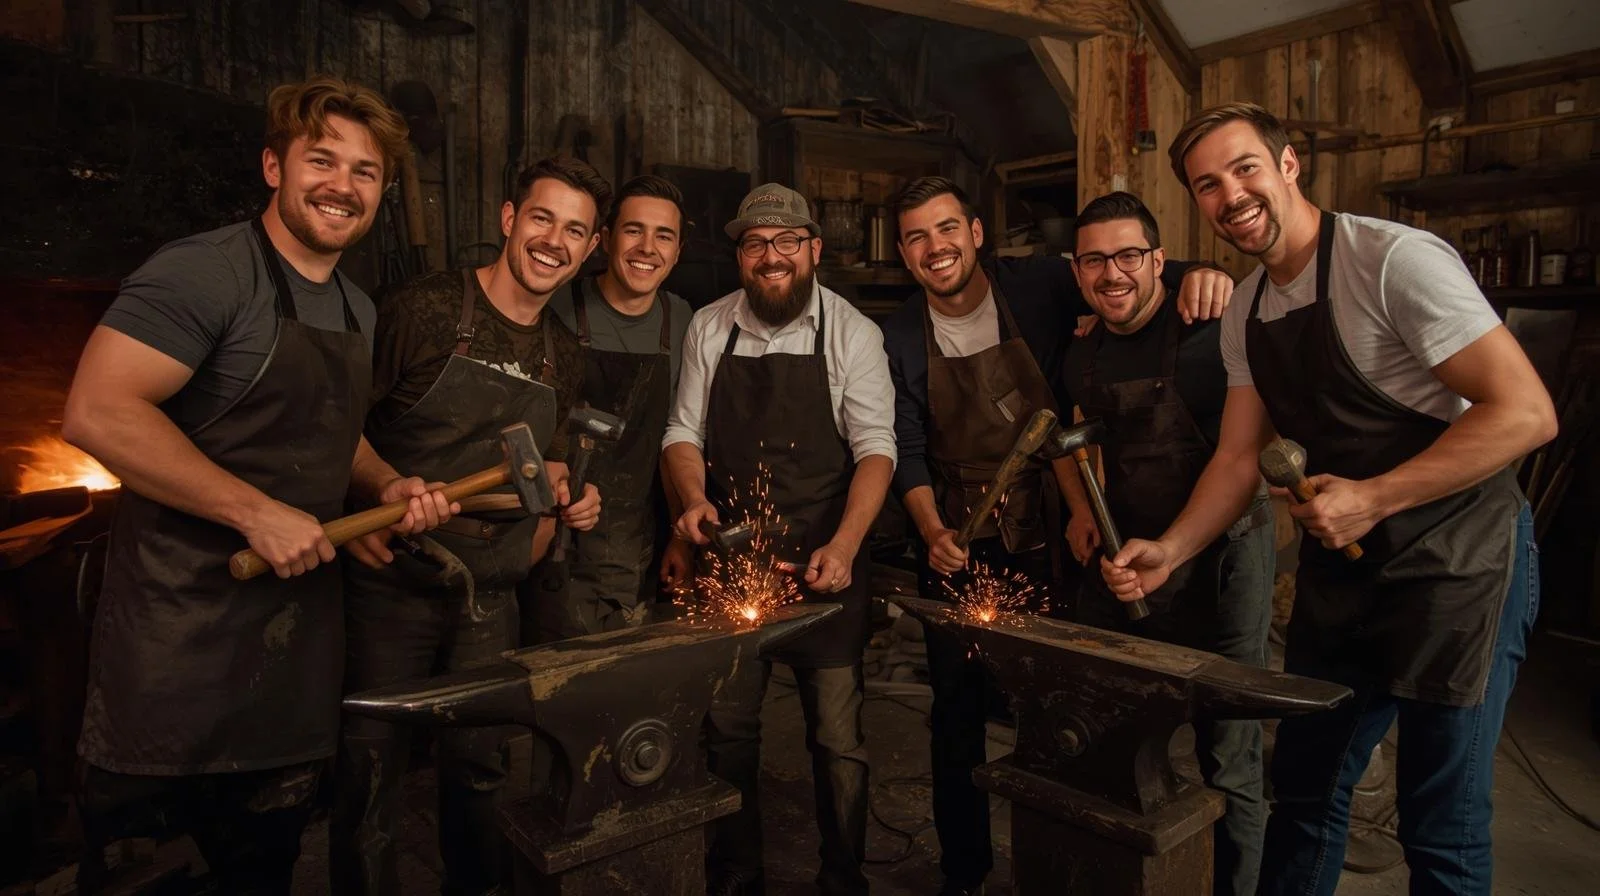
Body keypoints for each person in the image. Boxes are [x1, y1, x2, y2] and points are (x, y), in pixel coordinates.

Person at [1104, 102, 1556, 896]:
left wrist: (1376, 496)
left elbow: (1526, 412)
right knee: (1307, 793)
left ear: (1288, 164)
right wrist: (1171, 551)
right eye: (1208, 184)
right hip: (1348, 577)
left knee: (1439, 822)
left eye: (1245, 168)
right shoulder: (1247, 308)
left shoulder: (1392, 261)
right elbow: (1239, 456)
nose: (1231, 194)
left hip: (1462, 567)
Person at [61, 76, 455, 894]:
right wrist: (253, 511)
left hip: (291, 660)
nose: (343, 186)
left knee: (263, 872)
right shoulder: (206, 273)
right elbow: (98, 411)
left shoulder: (355, 307)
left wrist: (383, 484)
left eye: (365, 172)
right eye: (323, 161)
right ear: (273, 166)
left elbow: (333, 430)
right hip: (176, 655)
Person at [880, 176, 1233, 896]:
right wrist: (930, 530)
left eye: (947, 228)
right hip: (955, 529)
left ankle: (1057, 867)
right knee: (956, 714)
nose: (934, 247)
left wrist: (1209, 275)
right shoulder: (897, 334)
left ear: (976, 234)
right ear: (903, 252)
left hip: (1049, 529)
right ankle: (965, 870)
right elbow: (905, 444)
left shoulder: (1042, 285)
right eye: (916, 236)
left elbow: (1128, 273)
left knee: (1058, 713)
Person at [330, 156, 606, 896]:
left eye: (575, 230)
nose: (555, 240)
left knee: (481, 774)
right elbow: (336, 430)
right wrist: (381, 486)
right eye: (543, 218)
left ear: (590, 248)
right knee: (371, 771)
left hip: (492, 595)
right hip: (395, 579)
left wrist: (567, 493)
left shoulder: (564, 354)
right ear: (509, 218)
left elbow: (544, 468)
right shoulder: (421, 312)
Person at [664, 184, 896, 896]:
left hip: (826, 562)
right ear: (740, 255)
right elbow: (683, 434)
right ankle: (737, 876)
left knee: (836, 739)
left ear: (814, 251)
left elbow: (876, 450)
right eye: (756, 243)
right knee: (728, 733)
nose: (772, 257)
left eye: (787, 242)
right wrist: (694, 499)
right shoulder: (710, 326)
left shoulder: (852, 332)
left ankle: (842, 876)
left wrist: (848, 545)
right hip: (732, 564)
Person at [1059, 191, 1269, 896]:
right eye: (1095, 260)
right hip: (1124, 562)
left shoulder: (1211, 329)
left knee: (1229, 755)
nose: (1111, 274)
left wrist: (1203, 273)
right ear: (1077, 269)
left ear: (1158, 261)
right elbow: (1073, 439)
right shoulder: (1081, 350)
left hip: (1223, 561)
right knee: (1102, 736)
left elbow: (1242, 456)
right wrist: (1080, 508)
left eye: (1128, 256)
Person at [536, 174, 694, 638]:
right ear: (604, 240)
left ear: (678, 250)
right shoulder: (556, 306)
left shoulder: (682, 320)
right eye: (633, 230)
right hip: (552, 538)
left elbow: (676, 437)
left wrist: (679, 539)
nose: (648, 247)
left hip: (635, 545)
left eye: (663, 235)